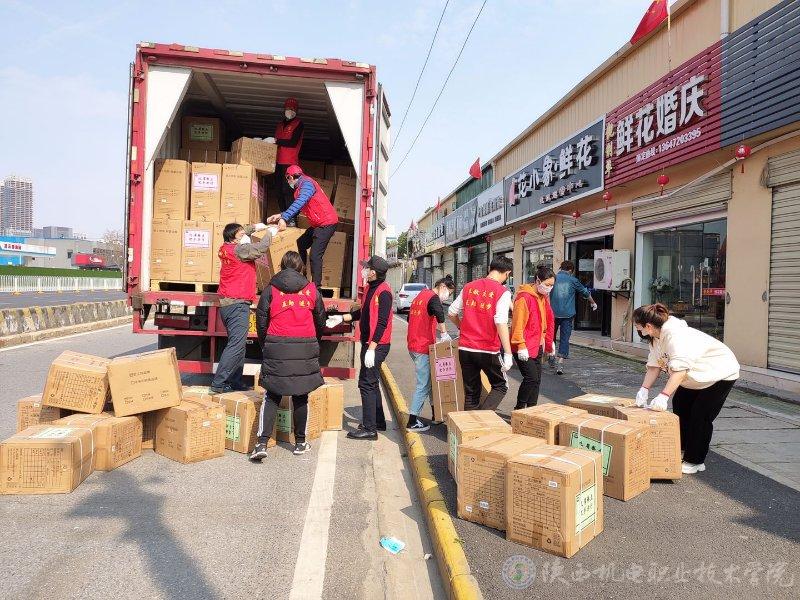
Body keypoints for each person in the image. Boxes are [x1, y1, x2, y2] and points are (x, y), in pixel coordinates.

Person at [633, 303, 740, 475]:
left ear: (648, 326)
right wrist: (644, 389)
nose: (637, 328)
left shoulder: (676, 336)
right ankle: (682, 449)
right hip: (695, 376)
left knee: (700, 415)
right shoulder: (655, 338)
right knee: (681, 406)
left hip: (720, 373)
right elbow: (654, 366)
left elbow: (680, 371)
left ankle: (695, 460)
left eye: (637, 325)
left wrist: (664, 395)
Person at [250, 251, 326, 460]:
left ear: (282, 266)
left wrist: (266, 344)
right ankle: (300, 443)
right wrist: (313, 342)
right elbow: (321, 320)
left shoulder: (271, 289)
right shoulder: (311, 289)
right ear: (301, 267)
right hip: (305, 346)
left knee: (273, 394)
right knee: (301, 395)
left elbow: (261, 321)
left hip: (277, 345)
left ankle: (261, 444)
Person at [326, 256, 393, 440]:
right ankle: (378, 421)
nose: (364, 270)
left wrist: (372, 348)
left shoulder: (384, 292)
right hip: (369, 344)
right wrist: (341, 318)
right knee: (372, 382)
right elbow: (362, 313)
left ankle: (370, 429)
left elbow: (382, 322)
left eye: (367, 268)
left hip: (377, 346)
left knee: (366, 383)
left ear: (373, 272)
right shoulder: (371, 288)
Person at [210, 222, 277, 394]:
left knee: (239, 344)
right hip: (237, 303)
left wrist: (256, 227)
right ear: (234, 237)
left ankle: (235, 381)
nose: (243, 234)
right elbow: (261, 248)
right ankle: (218, 383)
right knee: (236, 345)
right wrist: (270, 232)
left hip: (228, 302)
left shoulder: (225, 248)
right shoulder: (240, 250)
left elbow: (241, 232)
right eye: (240, 233)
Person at [448, 256, 514, 411]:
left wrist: (462, 327)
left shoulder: (469, 286)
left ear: (490, 269)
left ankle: (468, 424)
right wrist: (508, 353)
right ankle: (483, 419)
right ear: (507, 273)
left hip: (465, 348)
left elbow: (451, 312)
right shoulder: (502, 292)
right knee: (501, 385)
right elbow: (501, 322)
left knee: (471, 392)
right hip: (487, 349)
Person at [266, 165, 338, 288]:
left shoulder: (307, 184)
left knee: (315, 255)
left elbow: (300, 201)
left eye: (288, 179)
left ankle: (316, 288)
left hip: (327, 223)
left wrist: (285, 218)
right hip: (318, 224)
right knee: (301, 243)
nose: (288, 182)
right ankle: (302, 278)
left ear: (291, 177)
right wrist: (280, 215)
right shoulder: (300, 188)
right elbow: (298, 206)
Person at [406, 275, 456, 431]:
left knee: (431, 381)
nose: (447, 295)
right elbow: (440, 314)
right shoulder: (433, 298)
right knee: (424, 385)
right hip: (422, 347)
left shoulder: (420, 296)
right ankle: (412, 420)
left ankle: (436, 414)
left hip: (413, 344)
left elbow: (409, 318)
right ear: (442, 286)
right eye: (448, 292)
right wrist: (444, 334)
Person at [510, 265, 556, 409]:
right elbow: (517, 324)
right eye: (547, 284)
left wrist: (549, 341)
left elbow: (547, 321)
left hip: (537, 344)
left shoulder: (543, 297)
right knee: (531, 378)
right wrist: (520, 345)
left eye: (552, 285)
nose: (549, 288)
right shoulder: (524, 298)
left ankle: (532, 410)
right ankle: (519, 409)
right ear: (537, 281)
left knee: (537, 380)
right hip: (524, 345)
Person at [549, 260, 597, 375]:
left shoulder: (553, 278)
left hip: (552, 313)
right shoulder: (573, 280)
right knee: (565, 338)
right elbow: (585, 292)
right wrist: (593, 303)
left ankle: (551, 355)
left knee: (551, 336)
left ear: (561, 268)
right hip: (567, 314)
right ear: (571, 270)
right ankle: (560, 363)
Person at [268, 98, 304, 224]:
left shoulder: (298, 124)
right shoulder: (280, 125)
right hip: (277, 162)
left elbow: (293, 142)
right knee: (278, 190)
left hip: (290, 163)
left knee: (288, 190)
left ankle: (292, 218)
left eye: (292, 109)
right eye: (288, 108)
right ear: (284, 109)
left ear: (296, 110)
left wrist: (276, 141)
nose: (290, 111)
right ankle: (284, 216)